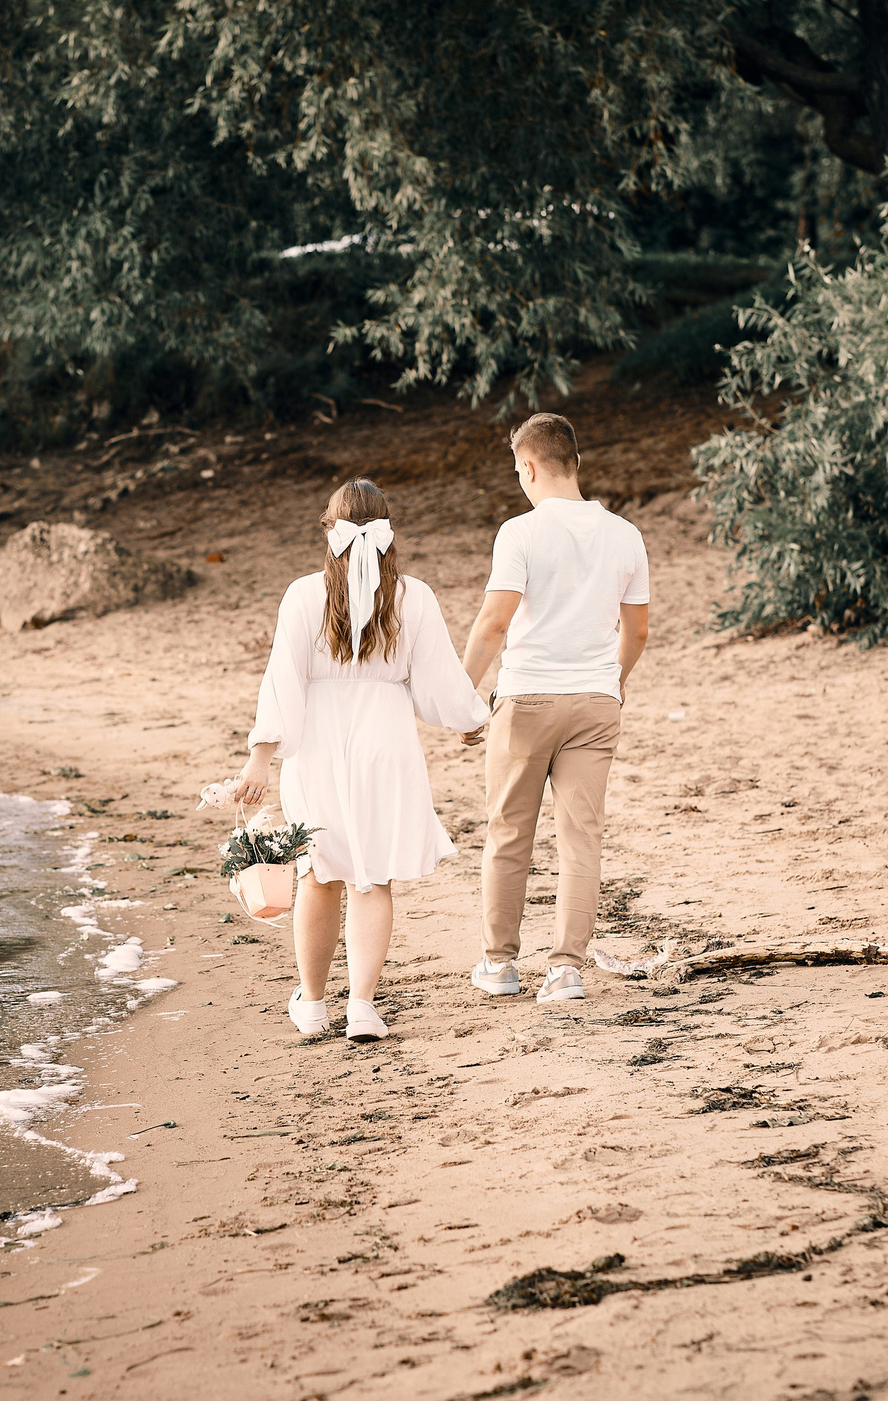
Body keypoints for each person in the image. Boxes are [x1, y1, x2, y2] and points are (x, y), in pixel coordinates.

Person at [231, 480, 490, 1041]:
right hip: (385, 741)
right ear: (389, 531)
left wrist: (260, 759)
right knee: (372, 878)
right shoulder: (413, 596)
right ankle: (363, 1007)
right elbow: (439, 679)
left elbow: (281, 683)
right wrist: (472, 719)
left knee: (318, 874)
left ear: (331, 532)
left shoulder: (304, 595)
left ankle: (315, 1003)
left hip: (319, 743)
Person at [459, 413, 650, 1003]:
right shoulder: (625, 534)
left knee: (509, 832)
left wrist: (463, 698)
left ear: (530, 467)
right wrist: (609, 684)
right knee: (580, 839)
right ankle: (566, 968)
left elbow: (495, 623)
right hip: (595, 702)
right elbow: (637, 631)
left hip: (528, 699)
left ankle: (499, 964)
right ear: (575, 462)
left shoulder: (519, 533)